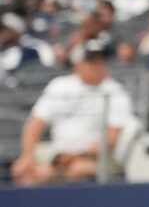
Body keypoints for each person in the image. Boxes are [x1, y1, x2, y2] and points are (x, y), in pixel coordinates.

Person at [11, 37, 133, 185]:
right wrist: (27, 155)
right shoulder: (59, 86)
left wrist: (75, 156)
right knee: (23, 170)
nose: (97, 65)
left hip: (99, 159)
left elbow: (110, 140)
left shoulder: (114, 92)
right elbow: (35, 125)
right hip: (58, 157)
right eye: (91, 61)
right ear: (78, 64)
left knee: (78, 169)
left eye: (101, 61)